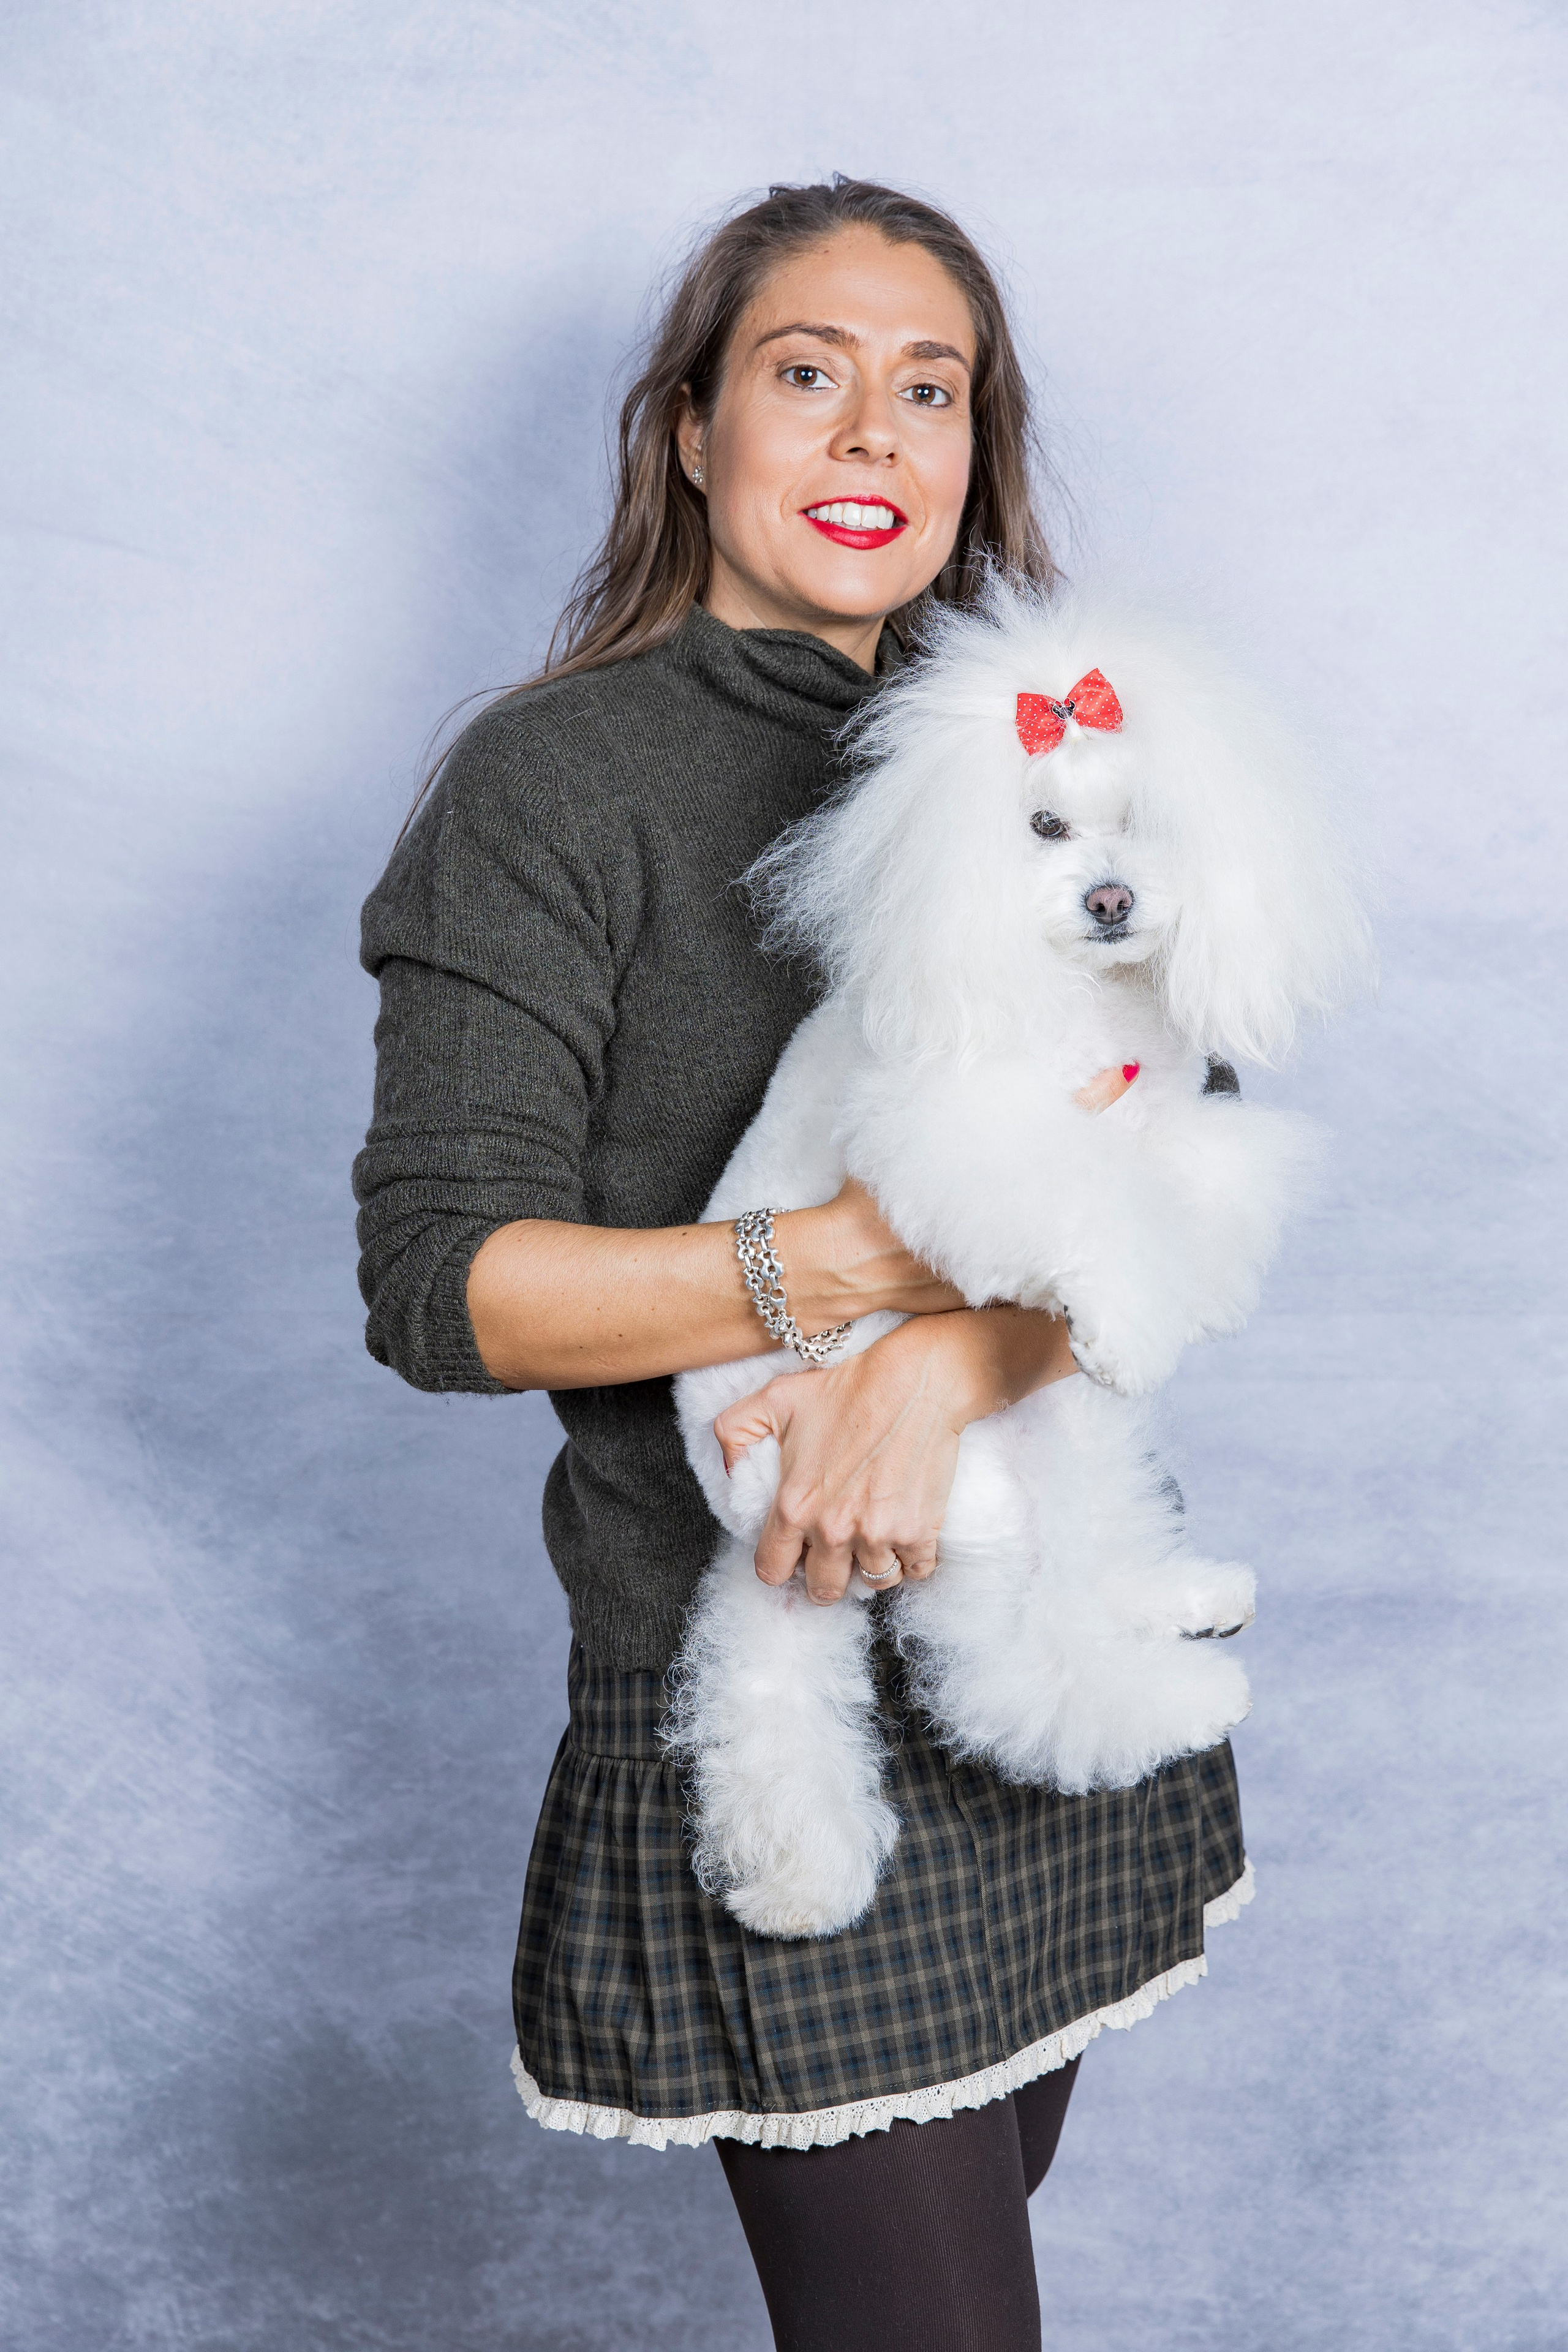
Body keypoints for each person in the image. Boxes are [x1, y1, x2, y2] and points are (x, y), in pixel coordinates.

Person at [354, 176, 1250, 2352]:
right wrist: (841, 1268)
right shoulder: (549, 783)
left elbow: (1186, 1143)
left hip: (1036, 1645)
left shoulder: (1045, 732)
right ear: (692, 431)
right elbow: (441, 1287)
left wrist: (947, 1363)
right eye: (806, 375)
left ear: (975, 449)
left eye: (925, 390)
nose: (870, 437)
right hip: (771, 1680)